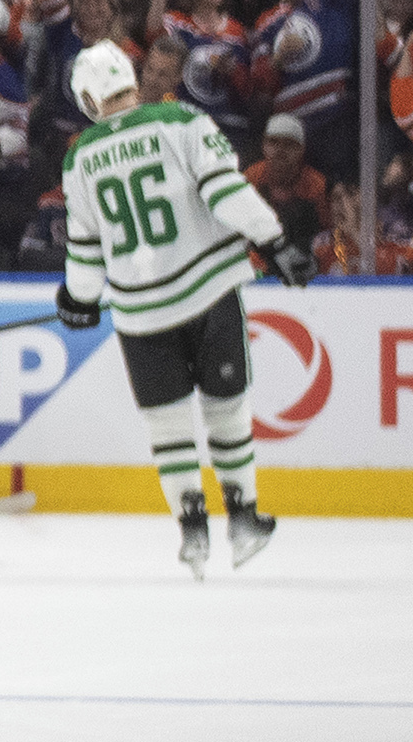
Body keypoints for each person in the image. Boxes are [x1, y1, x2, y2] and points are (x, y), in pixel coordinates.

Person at [55, 38, 310, 575]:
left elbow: (86, 252)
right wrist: (274, 238)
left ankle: (192, 535)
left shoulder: (78, 158)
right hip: (210, 294)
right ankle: (242, 520)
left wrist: (77, 299)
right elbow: (223, 192)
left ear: (86, 97)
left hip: (140, 315)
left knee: (167, 426)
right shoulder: (182, 121)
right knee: (227, 410)